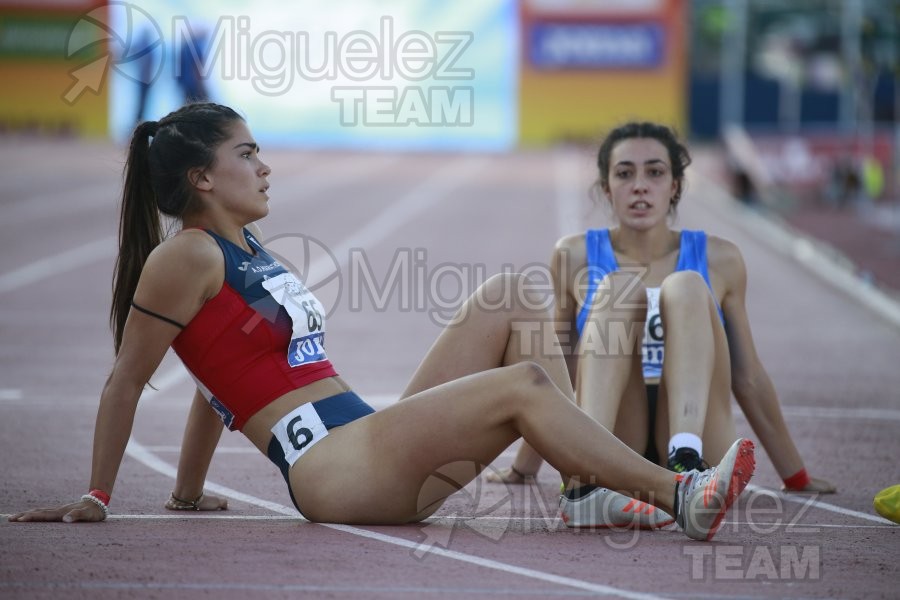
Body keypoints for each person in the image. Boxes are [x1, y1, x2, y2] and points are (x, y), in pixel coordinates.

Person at [8, 104, 755, 541]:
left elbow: (214, 375)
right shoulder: (186, 257)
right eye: (247, 154)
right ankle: (678, 493)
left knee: (512, 295)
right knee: (525, 383)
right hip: (339, 474)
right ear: (202, 178)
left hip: (365, 437)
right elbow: (127, 379)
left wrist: (186, 490)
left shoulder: (241, 247)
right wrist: (99, 496)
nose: (265, 166)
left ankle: (582, 487)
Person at [490, 122, 834, 526]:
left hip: (699, 426)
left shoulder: (721, 258)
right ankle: (587, 479)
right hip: (620, 437)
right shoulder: (574, 256)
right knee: (618, 287)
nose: (640, 186)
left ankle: (686, 459)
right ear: (606, 188)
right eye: (624, 174)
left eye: (654, 172)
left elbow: (748, 375)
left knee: (687, 286)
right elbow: (557, 364)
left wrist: (796, 475)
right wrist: (524, 465)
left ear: (674, 186)